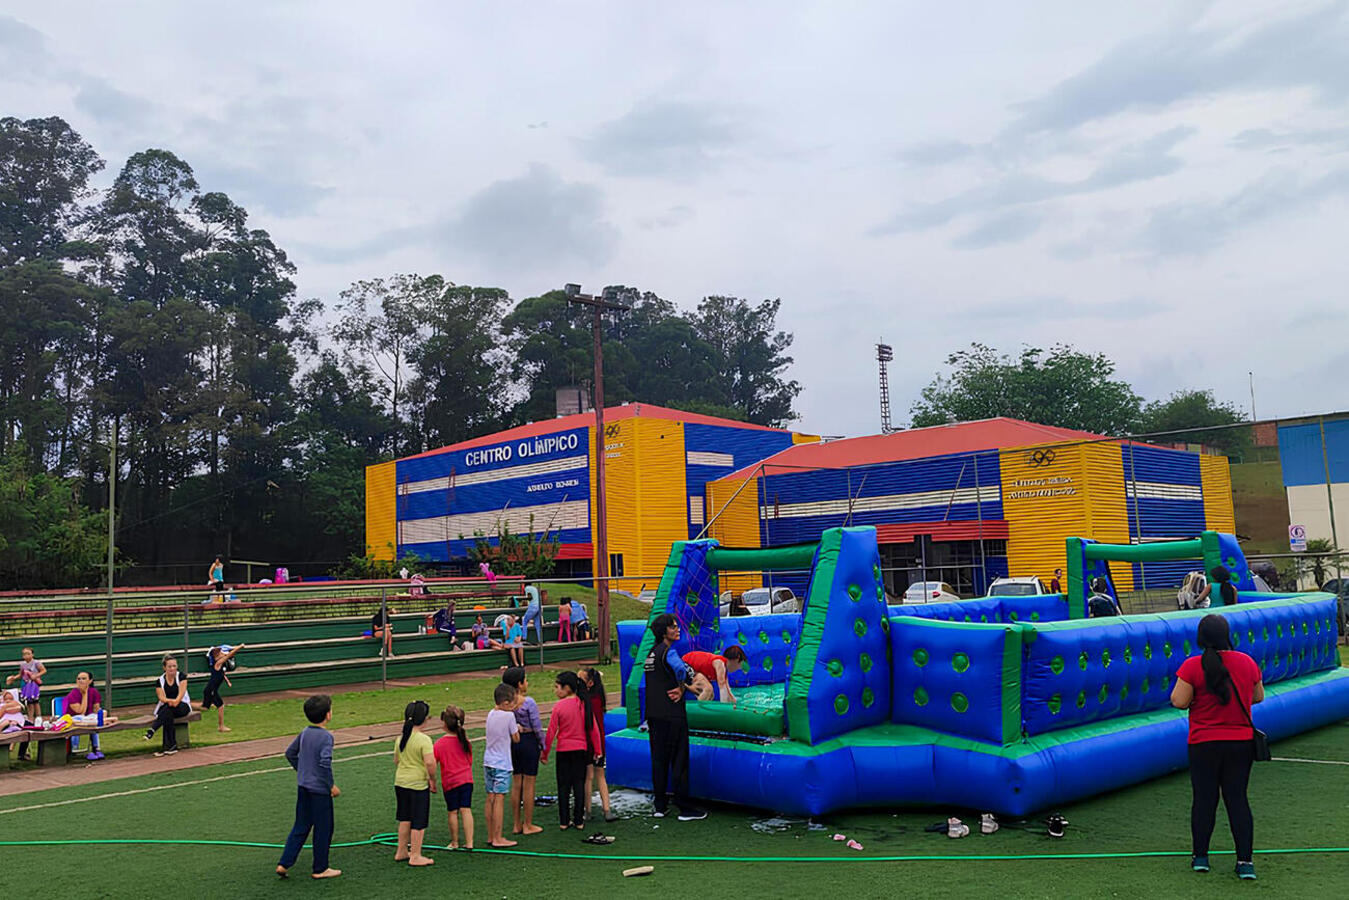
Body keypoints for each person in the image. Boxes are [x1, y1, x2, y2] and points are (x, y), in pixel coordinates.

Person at [1171, 614, 1264, 880]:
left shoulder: (1192, 666)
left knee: (1204, 799)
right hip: (1240, 742)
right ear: (1227, 634)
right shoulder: (1246, 662)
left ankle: (1200, 857)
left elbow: (1178, 701)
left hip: (1204, 743)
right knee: (1237, 800)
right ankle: (1245, 862)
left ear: (1201, 638)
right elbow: (1258, 696)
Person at [643, 613, 706, 821]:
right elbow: (682, 670)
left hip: (654, 714)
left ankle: (660, 806)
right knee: (679, 760)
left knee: (658, 760)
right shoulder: (669, 652)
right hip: (672, 715)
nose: (677, 629)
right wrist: (682, 688)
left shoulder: (651, 654)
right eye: (673, 627)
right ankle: (685, 807)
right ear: (664, 632)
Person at [277, 694, 342, 880]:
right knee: (324, 828)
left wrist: (302, 771)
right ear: (328, 715)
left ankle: (284, 862)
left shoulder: (305, 732)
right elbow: (324, 763)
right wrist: (330, 786)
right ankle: (320, 868)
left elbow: (290, 753)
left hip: (303, 787)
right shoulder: (326, 737)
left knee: (301, 825)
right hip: (319, 792)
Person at [541, 671, 604, 831]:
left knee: (563, 786)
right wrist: (598, 749)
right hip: (580, 751)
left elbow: (551, 732)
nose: (555, 691)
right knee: (579, 785)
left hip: (563, 751)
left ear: (567, 688)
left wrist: (545, 753)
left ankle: (564, 821)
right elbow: (593, 729)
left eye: (557, 687)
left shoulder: (559, 706)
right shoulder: (583, 704)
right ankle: (578, 821)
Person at [391, 700, 436, 867]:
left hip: (401, 782)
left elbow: (396, 760)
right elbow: (430, 763)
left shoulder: (401, 738)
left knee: (404, 817)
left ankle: (401, 850)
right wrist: (432, 779)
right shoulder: (424, 740)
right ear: (424, 719)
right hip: (417, 784)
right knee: (418, 821)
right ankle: (415, 855)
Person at [501, 667, 544, 837]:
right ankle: (528, 824)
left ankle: (516, 823)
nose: (527, 682)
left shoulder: (505, 704)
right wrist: (543, 745)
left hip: (512, 743)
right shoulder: (528, 703)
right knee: (529, 783)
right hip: (528, 741)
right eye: (525, 680)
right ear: (519, 684)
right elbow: (537, 727)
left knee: (517, 782)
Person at [484, 682, 521, 848]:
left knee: (490, 797)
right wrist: (518, 729)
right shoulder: (509, 716)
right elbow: (515, 738)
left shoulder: (491, 713)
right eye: (512, 703)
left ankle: (491, 835)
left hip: (488, 761)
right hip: (502, 763)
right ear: (506, 703)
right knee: (499, 799)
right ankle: (498, 837)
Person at [579, 666, 617, 823]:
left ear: (589, 683)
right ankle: (606, 809)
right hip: (599, 741)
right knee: (600, 775)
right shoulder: (598, 699)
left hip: (589, 742)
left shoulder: (585, 701)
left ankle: (587, 811)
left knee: (589, 777)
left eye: (580, 680)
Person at [433, 705, 475, 850]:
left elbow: (433, 763)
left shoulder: (439, 744)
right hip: (466, 780)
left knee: (452, 811)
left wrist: (432, 781)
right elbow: (469, 761)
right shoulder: (464, 741)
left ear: (444, 723)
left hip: (450, 782)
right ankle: (469, 842)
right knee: (466, 809)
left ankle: (455, 842)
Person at [145, 655, 191, 757]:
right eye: (169, 666)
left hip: (182, 706)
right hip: (167, 707)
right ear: (164, 668)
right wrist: (170, 701)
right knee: (167, 714)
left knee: (167, 711)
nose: (172, 669)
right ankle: (170, 747)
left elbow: (181, 694)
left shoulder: (182, 677)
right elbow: (161, 697)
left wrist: (175, 701)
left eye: (174, 666)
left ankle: (152, 730)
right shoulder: (160, 681)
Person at [682, 646, 749, 703]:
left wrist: (734, 703)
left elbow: (728, 691)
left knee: (710, 695)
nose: (739, 668)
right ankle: (698, 713)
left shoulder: (724, 670)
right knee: (708, 689)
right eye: (740, 665)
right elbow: (722, 685)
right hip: (685, 665)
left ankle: (702, 711)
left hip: (693, 670)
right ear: (737, 659)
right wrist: (724, 708)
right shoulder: (720, 663)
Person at [202, 643, 244, 733]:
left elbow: (222, 675)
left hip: (210, 690)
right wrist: (240, 647)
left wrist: (228, 681)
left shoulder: (220, 665)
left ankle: (188, 705)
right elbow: (229, 655)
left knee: (204, 708)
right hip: (211, 690)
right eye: (220, 654)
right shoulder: (217, 663)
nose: (222, 654)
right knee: (220, 706)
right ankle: (221, 726)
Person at [64, 671, 104, 760]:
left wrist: (98, 712)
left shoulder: (94, 691)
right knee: (82, 719)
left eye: (83, 678)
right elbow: (80, 712)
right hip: (74, 719)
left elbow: (96, 709)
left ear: (90, 681)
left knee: (94, 719)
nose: (81, 681)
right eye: (79, 679)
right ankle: (76, 749)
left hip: (88, 719)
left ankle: (96, 748)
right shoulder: (73, 694)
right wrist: (85, 694)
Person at [6, 647, 46, 721]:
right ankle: (30, 718)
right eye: (24, 654)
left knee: (35, 701)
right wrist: (13, 678)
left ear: (32, 654)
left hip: (33, 684)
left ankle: (38, 717)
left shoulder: (36, 663)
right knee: (28, 702)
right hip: (26, 684)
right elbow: (21, 675)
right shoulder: (23, 665)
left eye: (28, 654)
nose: (26, 656)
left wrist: (36, 676)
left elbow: (43, 670)